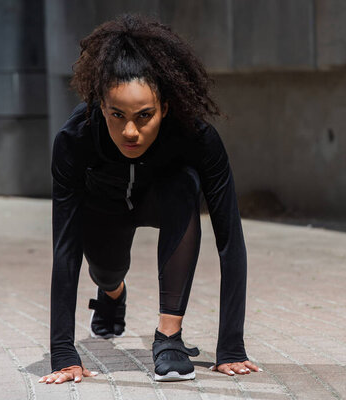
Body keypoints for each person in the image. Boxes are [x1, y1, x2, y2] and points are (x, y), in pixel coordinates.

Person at [38, 13, 259, 384]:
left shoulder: (197, 139)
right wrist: (62, 353)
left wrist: (231, 347)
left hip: (164, 201)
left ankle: (169, 338)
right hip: (103, 210)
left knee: (183, 184)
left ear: (165, 108)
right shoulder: (74, 140)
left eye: (144, 116)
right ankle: (111, 295)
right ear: (98, 106)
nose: (130, 131)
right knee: (106, 271)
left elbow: (230, 242)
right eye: (116, 115)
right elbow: (65, 248)